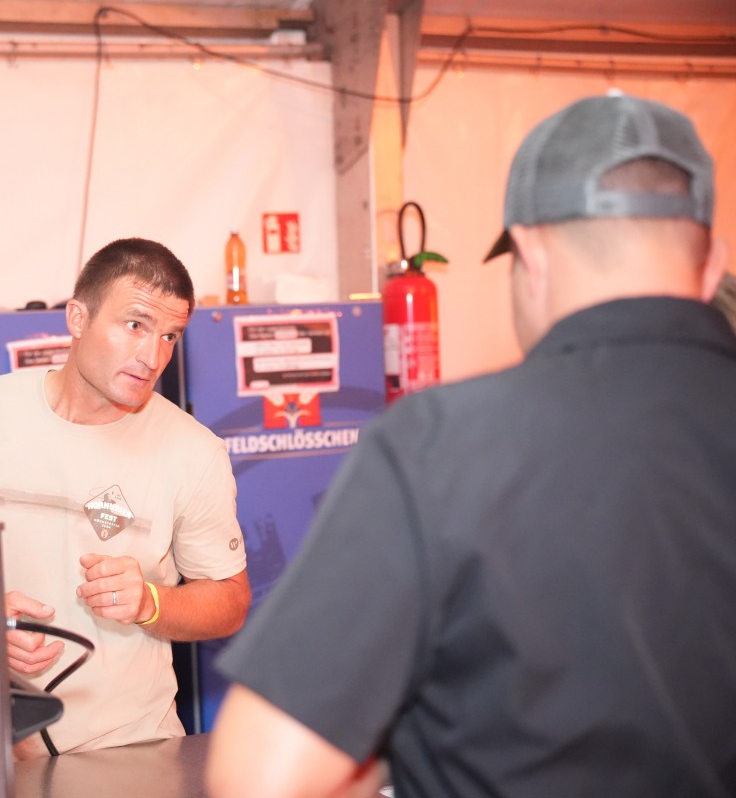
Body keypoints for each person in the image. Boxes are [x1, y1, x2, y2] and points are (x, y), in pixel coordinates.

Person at [207, 93, 736, 798]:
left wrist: (406, 747)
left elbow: (260, 779)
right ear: (712, 265)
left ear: (531, 255)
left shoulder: (441, 442)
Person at [0, 237, 250, 757]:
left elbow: (230, 601)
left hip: (130, 751)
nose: (152, 356)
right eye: (135, 325)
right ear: (77, 318)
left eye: (169, 336)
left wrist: (150, 602)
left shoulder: (194, 452)